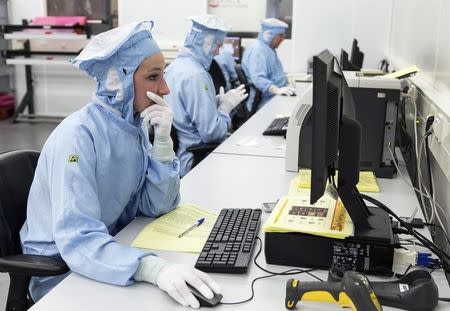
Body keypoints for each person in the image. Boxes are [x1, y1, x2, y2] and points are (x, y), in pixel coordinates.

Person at [20, 21, 220, 309]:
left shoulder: (131, 127)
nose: (164, 88)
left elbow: (156, 205)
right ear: (119, 80)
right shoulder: (78, 136)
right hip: (63, 271)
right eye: (153, 77)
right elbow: (77, 239)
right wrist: (154, 269)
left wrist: (163, 144)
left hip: (109, 251)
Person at [164, 15, 248, 177]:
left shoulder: (175, 67)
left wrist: (214, 102)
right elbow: (212, 133)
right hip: (196, 161)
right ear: (206, 44)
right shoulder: (197, 75)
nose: (217, 52)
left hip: (177, 159)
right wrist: (225, 108)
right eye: (217, 46)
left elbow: (184, 110)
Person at [241, 18, 294, 111]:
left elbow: (273, 72)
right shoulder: (258, 51)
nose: (283, 39)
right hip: (265, 101)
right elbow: (258, 79)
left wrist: (286, 78)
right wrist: (276, 90)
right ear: (269, 35)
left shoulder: (268, 49)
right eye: (280, 35)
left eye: (283, 35)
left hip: (275, 96)